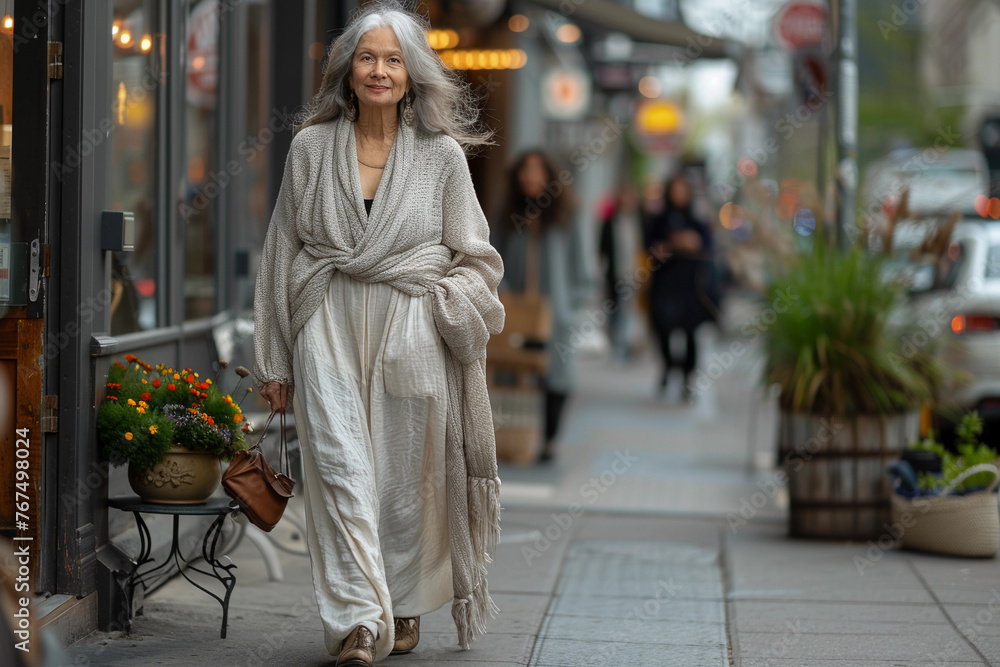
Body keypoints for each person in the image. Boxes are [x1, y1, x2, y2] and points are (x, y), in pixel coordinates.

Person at [251, 3, 504, 665]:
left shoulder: (442, 156)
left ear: (412, 74)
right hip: (326, 321)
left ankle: (405, 598)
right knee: (340, 473)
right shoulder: (309, 147)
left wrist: (446, 303)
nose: (380, 71)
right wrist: (273, 360)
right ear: (347, 68)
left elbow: (477, 256)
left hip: (409, 330)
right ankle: (361, 621)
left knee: (403, 482)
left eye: (394, 59)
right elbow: (281, 253)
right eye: (368, 57)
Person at [491, 150, 592, 463]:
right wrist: (499, 293)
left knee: (558, 375)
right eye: (526, 170)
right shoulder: (507, 214)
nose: (531, 177)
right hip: (516, 311)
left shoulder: (566, 215)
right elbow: (493, 258)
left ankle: (549, 441)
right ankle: (510, 438)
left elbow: (581, 263)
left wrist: (575, 303)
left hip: (556, 311)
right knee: (513, 370)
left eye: (538, 171)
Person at [645, 172, 719, 401]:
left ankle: (688, 378)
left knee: (690, 333)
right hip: (664, 284)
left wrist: (692, 242)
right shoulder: (658, 220)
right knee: (662, 329)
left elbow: (707, 246)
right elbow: (649, 246)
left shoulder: (697, 222)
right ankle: (668, 367)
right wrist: (668, 245)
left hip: (690, 286)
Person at [598, 182, 643, 361]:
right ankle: (615, 344)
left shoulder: (637, 221)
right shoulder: (610, 221)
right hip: (614, 273)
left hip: (632, 273)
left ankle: (623, 344)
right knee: (613, 309)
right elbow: (602, 248)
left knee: (627, 310)